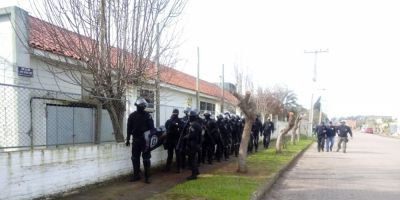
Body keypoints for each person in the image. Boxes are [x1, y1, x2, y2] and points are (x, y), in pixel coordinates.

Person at [126, 98, 155, 183]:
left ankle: (147, 177)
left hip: (145, 140)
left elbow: (152, 130)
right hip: (136, 140)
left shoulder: (148, 116)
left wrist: (151, 141)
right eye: (140, 106)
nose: (141, 107)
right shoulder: (132, 116)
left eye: (142, 106)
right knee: (135, 158)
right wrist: (128, 139)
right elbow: (129, 128)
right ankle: (136, 176)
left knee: (146, 159)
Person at [184, 110, 202, 180]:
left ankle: (193, 175)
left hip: (193, 144)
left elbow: (193, 135)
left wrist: (186, 136)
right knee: (194, 158)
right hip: (196, 144)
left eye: (190, 116)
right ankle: (196, 171)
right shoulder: (197, 124)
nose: (189, 117)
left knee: (192, 159)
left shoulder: (194, 125)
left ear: (192, 117)